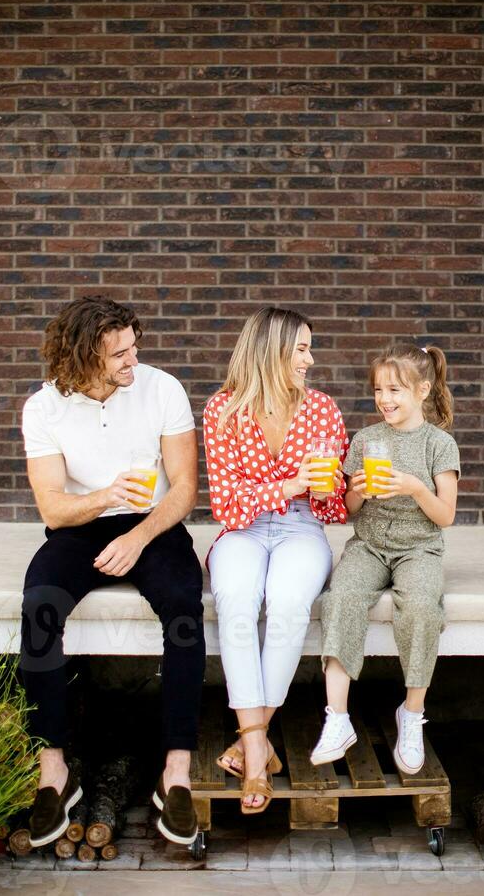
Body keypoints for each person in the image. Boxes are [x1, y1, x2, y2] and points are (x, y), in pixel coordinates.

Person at [19, 296, 205, 848]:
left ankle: (175, 772)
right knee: (39, 606)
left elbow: (186, 489)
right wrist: (105, 499)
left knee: (183, 609)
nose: (133, 359)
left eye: (134, 347)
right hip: (80, 524)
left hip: (153, 525)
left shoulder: (161, 387)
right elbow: (53, 509)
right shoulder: (44, 407)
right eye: (118, 354)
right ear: (82, 357)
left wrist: (139, 533)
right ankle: (54, 770)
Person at [202, 307, 349, 815]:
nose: (311, 359)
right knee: (237, 600)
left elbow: (330, 506)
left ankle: (252, 748)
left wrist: (333, 488)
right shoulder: (222, 410)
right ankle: (262, 752)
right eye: (302, 349)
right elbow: (226, 504)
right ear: (272, 351)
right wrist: (289, 484)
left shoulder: (323, 409)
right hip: (241, 530)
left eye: (310, 348)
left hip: (302, 525)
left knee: (287, 602)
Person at [311, 343, 459, 775]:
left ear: (423, 389)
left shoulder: (439, 444)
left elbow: (445, 516)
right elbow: (350, 510)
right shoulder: (366, 439)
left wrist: (415, 487)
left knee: (419, 608)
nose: (385, 399)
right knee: (340, 599)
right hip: (369, 544)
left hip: (419, 547)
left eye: (394, 389)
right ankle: (337, 719)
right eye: (378, 390)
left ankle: (412, 713)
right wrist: (355, 489)